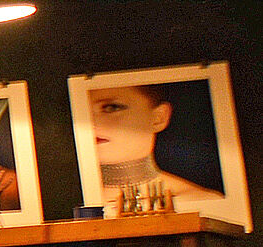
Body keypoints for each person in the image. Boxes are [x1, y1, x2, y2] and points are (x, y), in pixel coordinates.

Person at [87, 82, 222, 209]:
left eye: (111, 107)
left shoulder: (204, 202)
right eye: (83, 110)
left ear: (159, 117)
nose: (91, 122)